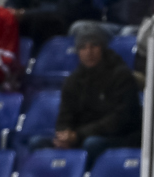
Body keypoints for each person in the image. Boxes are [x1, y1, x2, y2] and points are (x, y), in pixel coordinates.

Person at [44, 21, 141, 154]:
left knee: (92, 144)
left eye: (94, 45)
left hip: (119, 136)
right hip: (81, 136)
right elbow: (65, 115)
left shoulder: (121, 75)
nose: (88, 52)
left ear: (103, 47)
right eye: (83, 47)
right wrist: (64, 135)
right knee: (38, 143)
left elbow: (120, 119)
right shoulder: (72, 80)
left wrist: (78, 135)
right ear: (78, 52)